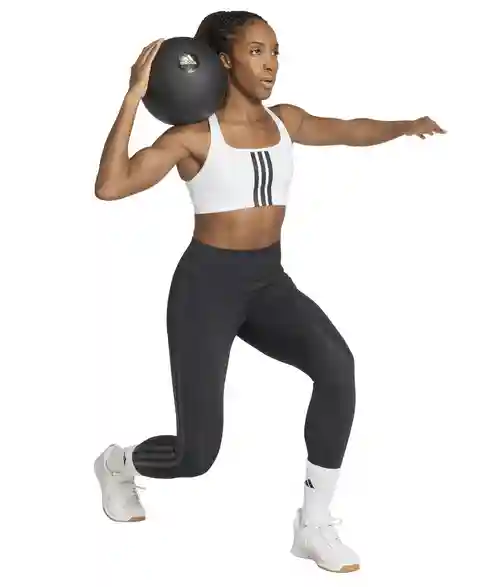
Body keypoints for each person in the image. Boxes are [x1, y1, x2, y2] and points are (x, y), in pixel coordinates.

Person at [93, 10, 446, 574]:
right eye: (257, 51)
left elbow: (351, 130)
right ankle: (118, 464)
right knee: (196, 455)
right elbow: (111, 186)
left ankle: (314, 523)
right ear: (224, 60)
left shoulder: (286, 121)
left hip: (267, 283)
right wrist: (135, 94)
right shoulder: (192, 136)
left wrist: (406, 125)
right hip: (206, 289)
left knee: (337, 367)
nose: (271, 64)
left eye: (276, 51)